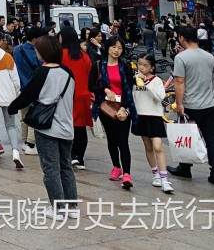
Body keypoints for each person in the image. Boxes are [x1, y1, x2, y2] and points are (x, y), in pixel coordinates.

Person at [7, 35, 77, 217]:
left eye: (38, 49)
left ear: (44, 52)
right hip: (67, 127)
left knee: (51, 168)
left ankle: (57, 208)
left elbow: (27, 96)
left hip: (48, 128)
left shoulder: (42, 72)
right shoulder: (69, 72)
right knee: (66, 166)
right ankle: (71, 207)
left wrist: (12, 107)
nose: (36, 52)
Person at [168, 26, 214, 185]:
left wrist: (179, 104)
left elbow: (179, 82)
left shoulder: (181, 58)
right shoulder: (209, 56)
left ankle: (185, 168)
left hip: (190, 105)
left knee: (186, 136)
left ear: (182, 38)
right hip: (210, 104)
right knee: (213, 139)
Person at [89, 36, 138, 189]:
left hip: (124, 107)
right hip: (106, 108)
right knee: (111, 140)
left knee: (123, 141)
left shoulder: (125, 66)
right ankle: (116, 167)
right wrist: (105, 89)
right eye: (114, 47)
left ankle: (127, 173)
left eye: (120, 48)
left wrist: (124, 107)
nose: (117, 51)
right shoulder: (98, 65)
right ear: (108, 47)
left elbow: (129, 89)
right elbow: (91, 85)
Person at [131, 53, 174, 193]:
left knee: (158, 146)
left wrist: (146, 85)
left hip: (154, 117)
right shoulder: (134, 79)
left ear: (152, 67)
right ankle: (155, 174)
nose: (141, 68)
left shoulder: (156, 81)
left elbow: (160, 98)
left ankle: (164, 179)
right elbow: (132, 97)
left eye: (145, 65)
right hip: (141, 116)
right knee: (148, 146)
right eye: (139, 64)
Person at [0, 30, 23, 169]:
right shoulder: (7, 57)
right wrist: (17, 94)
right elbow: (15, 80)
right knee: (11, 126)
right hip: (9, 97)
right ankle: (15, 152)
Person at [59, 27, 93, 170]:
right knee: (81, 128)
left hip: (67, 95)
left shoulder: (61, 54)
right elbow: (90, 72)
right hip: (83, 95)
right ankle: (80, 157)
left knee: (68, 126)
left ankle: (71, 155)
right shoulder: (84, 55)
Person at [13, 27, 42, 155]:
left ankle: (24, 142)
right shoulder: (37, 52)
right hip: (33, 87)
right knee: (33, 116)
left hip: (20, 88)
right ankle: (31, 144)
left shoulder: (16, 49)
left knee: (23, 116)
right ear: (35, 39)